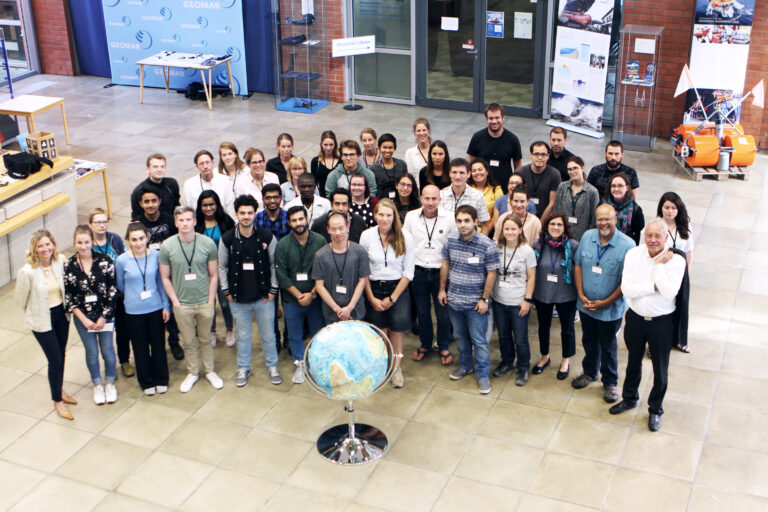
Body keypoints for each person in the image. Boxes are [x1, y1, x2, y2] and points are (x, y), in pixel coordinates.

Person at [609, 219, 686, 432]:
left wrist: (659, 266)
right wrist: (654, 286)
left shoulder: (676, 261)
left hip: (662, 323)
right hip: (635, 319)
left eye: (657, 236)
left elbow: (669, 292)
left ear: (666, 237)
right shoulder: (634, 254)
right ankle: (629, 398)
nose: (653, 240)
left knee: (660, 369)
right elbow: (627, 289)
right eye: (649, 235)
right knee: (633, 362)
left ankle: (655, 409)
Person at [571, 204, 635, 402]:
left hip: (610, 309)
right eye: (600, 219)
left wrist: (606, 302)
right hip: (586, 305)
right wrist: (581, 294)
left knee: (608, 346)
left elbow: (627, 281)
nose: (603, 223)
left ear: (615, 219)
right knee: (589, 340)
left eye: (607, 219)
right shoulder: (587, 237)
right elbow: (578, 265)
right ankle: (589, 372)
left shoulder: (628, 245)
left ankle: (610, 382)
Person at [219, 195, 281, 387]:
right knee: (243, 336)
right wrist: (227, 291)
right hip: (238, 299)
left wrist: (273, 289)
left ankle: (272, 366)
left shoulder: (267, 237)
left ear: (255, 213)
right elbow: (222, 267)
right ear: (236, 214)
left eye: (250, 212)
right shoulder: (228, 239)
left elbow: (274, 264)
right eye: (242, 213)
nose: (246, 216)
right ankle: (243, 368)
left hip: (263, 297)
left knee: (268, 335)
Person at [159, 206, 223, 393]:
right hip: (182, 304)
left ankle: (209, 370)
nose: (185, 223)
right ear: (175, 223)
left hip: (204, 301)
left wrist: (211, 300)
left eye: (188, 219)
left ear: (195, 221)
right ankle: (192, 372)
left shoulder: (207, 244)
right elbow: (165, 277)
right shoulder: (167, 246)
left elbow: (214, 274)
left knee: (205, 339)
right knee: (188, 341)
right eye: (181, 220)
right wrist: (175, 302)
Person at [14, 230, 77, 420]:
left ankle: (60, 389)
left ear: (53, 244)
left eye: (48, 244)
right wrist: (34, 311)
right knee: (55, 360)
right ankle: (57, 400)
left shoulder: (60, 261)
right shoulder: (27, 272)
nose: (45, 249)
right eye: (40, 246)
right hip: (42, 320)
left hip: (61, 315)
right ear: (34, 249)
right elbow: (20, 300)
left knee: (61, 354)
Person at [439, 205, 500, 395]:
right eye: (459, 221)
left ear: (475, 222)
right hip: (454, 301)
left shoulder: (487, 245)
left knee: (479, 341)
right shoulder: (450, 240)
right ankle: (465, 366)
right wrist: (442, 289)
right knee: (461, 338)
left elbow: (492, 273)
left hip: (476, 305)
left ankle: (483, 376)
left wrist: (484, 299)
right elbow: (445, 264)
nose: (462, 225)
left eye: (467, 220)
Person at [360, 199, 415, 388]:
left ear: (395, 216)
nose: (384, 219)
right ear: (375, 215)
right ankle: (383, 365)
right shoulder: (366, 236)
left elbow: (408, 272)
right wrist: (371, 297)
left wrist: (392, 298)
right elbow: (363, 270)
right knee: (380, 331)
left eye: (389, 215)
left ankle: (396, 368)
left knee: (397, 330)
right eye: (381, 214)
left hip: (398, 289)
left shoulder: (406, 237)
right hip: (374, 288)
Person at [64, 225, 118, 405]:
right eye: (79, 242)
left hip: (105, 316)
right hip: (83, 318)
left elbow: (112, 291)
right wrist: (84, 320)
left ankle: (109, 382)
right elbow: (69, 298)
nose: (83, 246)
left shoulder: (105, 261)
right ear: (74, 243)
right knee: (92, 352)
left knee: (108, 350)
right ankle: (97, 384)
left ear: (92, 242)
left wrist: (103, 317)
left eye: (86, 242)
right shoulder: (69, 266)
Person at [116, 222, 171, 396]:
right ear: (128, 240)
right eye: (134, 240)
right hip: (134, 311)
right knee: (140, 348)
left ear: (147, 238)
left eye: (141, 238)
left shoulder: (156, 256)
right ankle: (146, 381)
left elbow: (161, 283)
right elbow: (121, 285)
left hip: (155, 307)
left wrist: (166, 306)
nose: (138, 243)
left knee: (158, 345)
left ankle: (161, 378)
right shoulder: (121, 260)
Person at [404, 184, 457, 365]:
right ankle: (425, 344)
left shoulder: (449, 218)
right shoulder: (411, 217)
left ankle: (443, 346)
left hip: (440, 272)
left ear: (440, 200)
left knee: (443, 314)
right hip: (418, 271)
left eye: (434, 198)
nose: (430, 202)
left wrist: (449, 275)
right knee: (422, 312)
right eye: (427, 198)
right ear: (421, 199)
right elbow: (406, 244)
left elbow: (454, 246)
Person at [275, 206, 327, 384]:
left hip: (316, 298)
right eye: (294, 220)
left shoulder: (320, 241)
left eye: (301, 219)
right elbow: (281, 274)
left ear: (307, 219)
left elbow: (324, 271)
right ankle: (300, 364)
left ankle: (316, 364)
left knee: (317, 334)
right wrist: (299, 296)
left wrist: (311, 294)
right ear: (289, 223)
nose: (298, 223)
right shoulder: (283, 245)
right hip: (292, 300)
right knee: (294, 335)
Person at [530, 212, 579, 381]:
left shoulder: (573, 246)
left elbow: (579, 270)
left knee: (567, 329)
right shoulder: (538, 245)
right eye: (552, 224)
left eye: (559, 224)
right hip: (543, 293)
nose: (556, 227)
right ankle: (545, 356)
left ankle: (565, 360)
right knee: (543, 327)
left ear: (565, 227)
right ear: (546, 226)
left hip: (567, 294)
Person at [491, 214, 537, 384]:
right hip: (499, 301)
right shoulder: (496, 248)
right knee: (503, 335)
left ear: (520, 230)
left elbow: (531, 277)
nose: (510, 232)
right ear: (502, 230)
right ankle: (507, 361)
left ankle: (523, 368)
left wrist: (527, 300)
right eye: (507, 229)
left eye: (513, 229)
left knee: (520, 339)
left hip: (518, 302)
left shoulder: (527, 251)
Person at [89, 208, 132, 377]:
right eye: (97, 222)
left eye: (104, 221)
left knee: (123, 329)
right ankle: (108, 365)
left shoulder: (115, 239)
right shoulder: (88, 244)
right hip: (99, 299)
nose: (101, 225)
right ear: (90, 225)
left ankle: (124, 360)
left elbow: (123, 261)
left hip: (119, 294)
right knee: (104, 333)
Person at [313, 212, 371, 324]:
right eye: (334, 229)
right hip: (331, 313)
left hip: (356, 310)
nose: (338, 232)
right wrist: (337, 310)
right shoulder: (320, 255)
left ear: (347, 227)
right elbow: (319, 286)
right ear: (328, 230)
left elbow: (363, 280)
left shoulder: (360, 252)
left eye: (341, 228)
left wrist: (349, 307)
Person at [195, 190, 235, 348]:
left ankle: (230, 329)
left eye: (211, 204)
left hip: (223, 268)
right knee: (208, 303)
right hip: (203, 270)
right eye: (204, 205)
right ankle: (211, 331)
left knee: (225, 302)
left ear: (217, 205)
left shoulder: (226, 221)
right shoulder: (196, 223)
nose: (208, 208)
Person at [255, 183, 291, 351]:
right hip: (266, 269)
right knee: (270, 307)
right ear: (263, 199)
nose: (272, 201)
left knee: (289, 306)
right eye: (268, 197)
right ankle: (275, 339)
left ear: (281, 198)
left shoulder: (288, 217)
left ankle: (289, 338)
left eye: (275, 197)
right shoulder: (258, 219)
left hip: (286, 268)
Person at [466, 102, 523, 186]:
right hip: (482, 186)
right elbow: (471, 162)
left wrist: (516, 185)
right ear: (487, 119)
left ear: (503, 118)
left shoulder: (513, 139)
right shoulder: (477, 137)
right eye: (491, 118)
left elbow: (518, 165)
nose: (494, 121)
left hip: (504, 186)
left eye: (497, 117)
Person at [552, 156, 599, 241]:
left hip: (582, 237)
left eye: (575, 168)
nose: (572, 171)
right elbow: (556, 211)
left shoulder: (592, 192)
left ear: (583, 168)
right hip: (562, 235)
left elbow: (593, 219)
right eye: (569, 169)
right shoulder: (562, 187)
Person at [439, 158, 492, 234]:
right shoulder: (440, 195)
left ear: (468, 174)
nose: (458, 176)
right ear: (449, 173)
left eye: (462, 173)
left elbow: (485, 225)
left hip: (470, 239)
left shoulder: (477, 196)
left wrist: (480, 241)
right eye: (454, 172)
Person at [645, 192, 694, 267]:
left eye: (673, 208)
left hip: (679, 266)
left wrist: (687, 270)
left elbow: (689, 251)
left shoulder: (685, 225)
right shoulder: (654, 225)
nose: (670, 211)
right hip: (659, 265)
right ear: (661, 208)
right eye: (666, 208)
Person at [183, 149, 235, 219]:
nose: (205, 166)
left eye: (207, 162)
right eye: (201, 164)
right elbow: (187, 209)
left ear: (213, 162)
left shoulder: (225, 181)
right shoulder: (189, 184)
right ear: (197, 166)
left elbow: (230, 207)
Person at [516, 141, 561, 220]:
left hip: (545, 220)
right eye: (536, 154)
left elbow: (552, 203)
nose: (540, 157)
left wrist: (540, 223)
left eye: (543, 154)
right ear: (531, 155)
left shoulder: (554, 174)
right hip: (522, 218)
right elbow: (516, 199)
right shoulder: (520, 172)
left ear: (548, 156)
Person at [130, 153, 180, 220]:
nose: (159, 170)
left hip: (170, 222)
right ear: (148, 169)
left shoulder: (172, 183)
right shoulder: (139, 191)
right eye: (155, 167)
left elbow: (176, 205)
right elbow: (136, 216)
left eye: (162, 167)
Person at [602, 173, 645, 245]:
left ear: (627, 187)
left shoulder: (636, 210)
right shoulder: (602, 205)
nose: (616, 189)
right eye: (613, 186)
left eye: (620, 186)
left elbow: (639, 235)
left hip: (625, 247)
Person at [370, 133, 408, 200]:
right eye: (384, 147)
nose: (387, 150)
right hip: (381, 203)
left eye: (390, 148)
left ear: (394, 148)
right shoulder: (373, 169)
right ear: (379, 148)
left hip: (399, 201)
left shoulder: (402, 165)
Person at [469, 158, 503, 223]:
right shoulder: (467, 189)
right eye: (474, 171)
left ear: (487, 172)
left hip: (490, 226)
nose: (477, 173)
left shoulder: (496, 190)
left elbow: (498, 215)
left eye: (480, 170)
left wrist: (487, 228)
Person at [403, 117, 432, 186]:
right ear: (414, 132)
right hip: (418, 188)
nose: (421, 133)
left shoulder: (436, 151)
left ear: (428, 130)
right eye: (418, 131)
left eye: (424, 130)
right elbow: (410, 175)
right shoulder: (410, 153)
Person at [310, 130, 339, 198]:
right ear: (321, 144)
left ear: (335, 145)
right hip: (321, 196)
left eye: (331, 145)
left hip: (338, 197)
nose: (328, 148)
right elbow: (314, 183)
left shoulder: (341, 161)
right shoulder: (315, 161)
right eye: (325, 145)